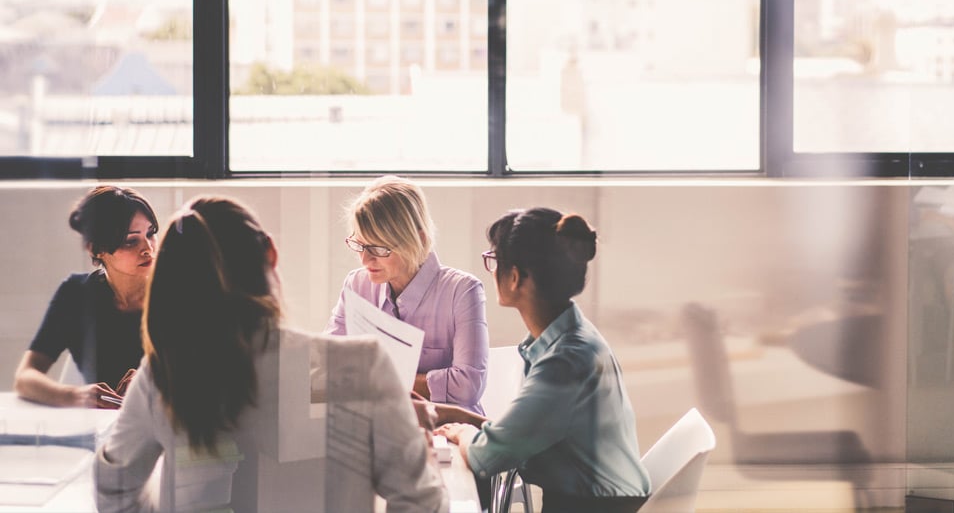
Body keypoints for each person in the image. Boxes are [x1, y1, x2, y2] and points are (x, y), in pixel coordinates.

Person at [94, 196, 447, 512]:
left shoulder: (162, 377)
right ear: (272, 254)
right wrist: (421, 454)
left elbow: (114, 491)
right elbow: (421, 503)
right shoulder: (363, 365)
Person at [436, 208, 650, 513]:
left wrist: (459, 432)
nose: (491, 269)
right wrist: (454, 416)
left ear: (516, 277)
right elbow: (521, 434)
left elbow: (487, 457)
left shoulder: (564, 361)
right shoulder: (570, 339)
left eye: (494, 260)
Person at [323, 176, 489, 413]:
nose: (365, 259)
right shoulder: (357, 284)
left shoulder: (462, 291)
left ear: (418, 239)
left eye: (379, 249)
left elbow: (467, 386)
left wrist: (376, 378)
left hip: (448, 427)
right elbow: (329, 362)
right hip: (377, 422)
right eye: (359, 245)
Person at [14, 185, 158, 408]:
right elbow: (26, 377)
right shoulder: (76, 295)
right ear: (96, 250)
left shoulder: (175, 292)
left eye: (150, 233)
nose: (148, 248)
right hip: (103, 427)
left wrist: (157, 384)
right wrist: (74, 396)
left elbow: (215, 373)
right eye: (131, 240)